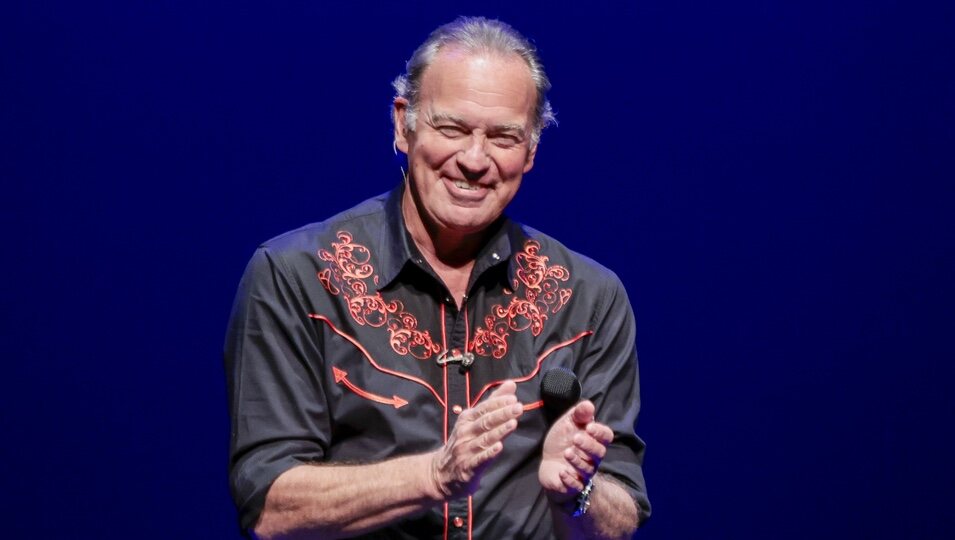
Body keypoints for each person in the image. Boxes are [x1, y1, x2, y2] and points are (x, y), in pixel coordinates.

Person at [225, 16, 650, 539]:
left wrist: (576, 492)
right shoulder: (295, 276)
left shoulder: (590, 298)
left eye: (503, 137)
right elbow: (270, 507)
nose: (474, 160)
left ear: (532, 151)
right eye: (451, 129)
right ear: (404, 125)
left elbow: (621, 517)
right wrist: (434, 476)